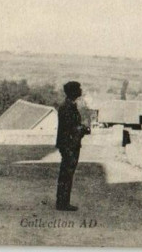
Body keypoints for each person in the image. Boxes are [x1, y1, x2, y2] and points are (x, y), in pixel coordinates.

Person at [55, 80, 90, 211]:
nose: (81, 91)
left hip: (69, 144)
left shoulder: (68, 106)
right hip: (69, 144)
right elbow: (70, 128)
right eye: (79, 88)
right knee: (67, 173)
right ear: (73, 91)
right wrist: (83, 129)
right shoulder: (68, 107)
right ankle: (63, 203)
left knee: (67, 173)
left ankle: (62, 202)